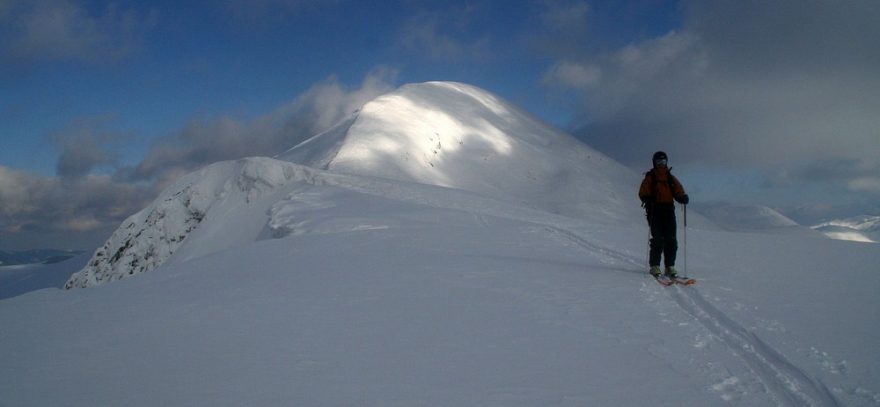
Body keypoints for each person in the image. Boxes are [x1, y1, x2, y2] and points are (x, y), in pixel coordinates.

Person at [638, 151, 689, 278]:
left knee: (671, 238)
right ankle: (655, 266)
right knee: (658, 238)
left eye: (663, 162)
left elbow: (678, 191)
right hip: (655, 210)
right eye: (659, 162)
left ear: (667, 162)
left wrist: (683, 197)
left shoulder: (670, 178)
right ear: (654, 163)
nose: (661, 164)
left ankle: (669, 266)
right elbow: (642, 192)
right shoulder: (650, 177)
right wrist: (648, 199)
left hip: (668, 210)